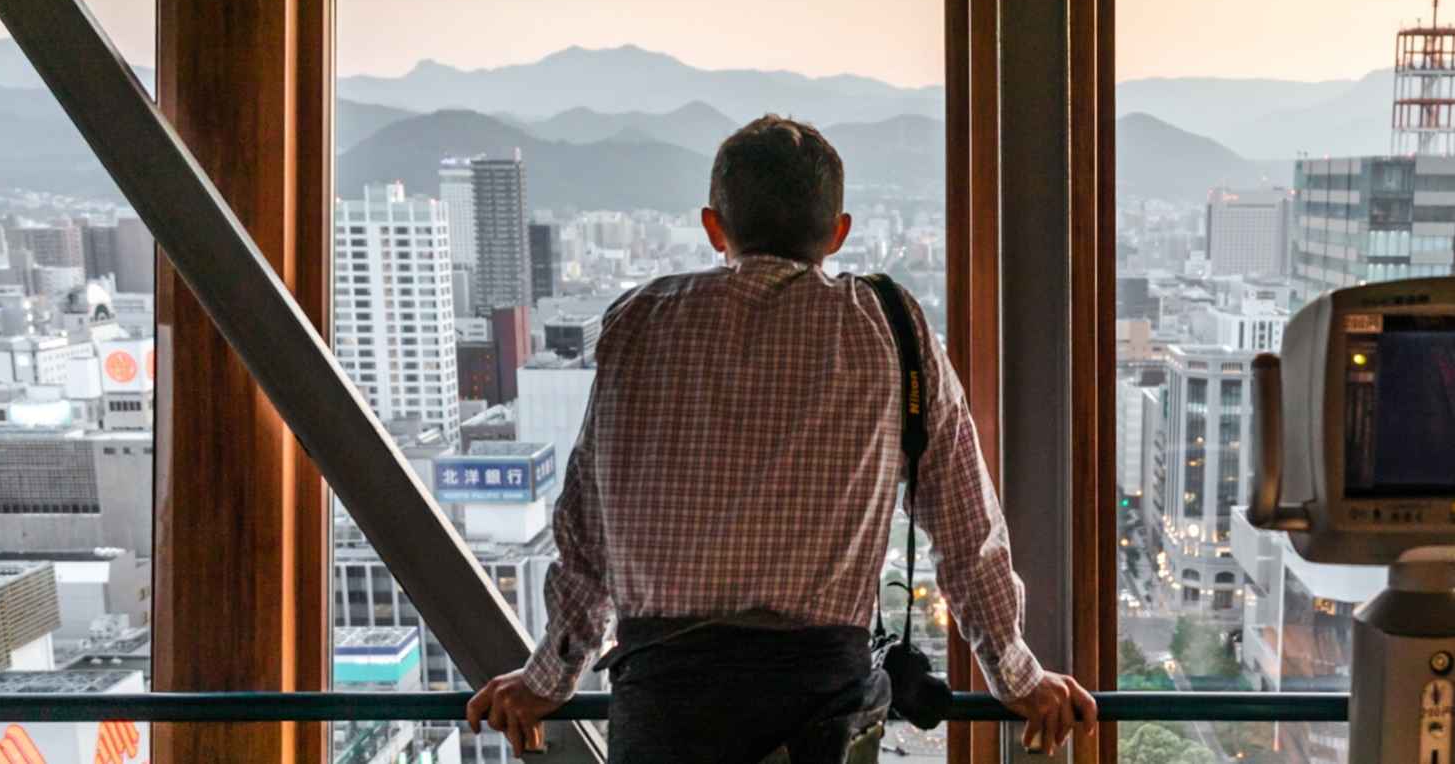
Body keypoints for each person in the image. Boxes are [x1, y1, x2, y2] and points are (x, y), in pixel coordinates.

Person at [467, 115, 1096, 761]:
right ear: (838, 232)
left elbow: (584, 531)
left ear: (714, 227)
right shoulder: (888, 326)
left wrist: (548, 678)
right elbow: (967, 530)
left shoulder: (639, 320)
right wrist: (1016, 674)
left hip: (664, 707)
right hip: (818, 708)